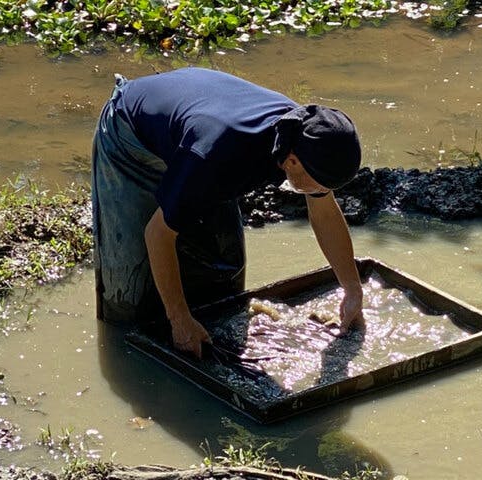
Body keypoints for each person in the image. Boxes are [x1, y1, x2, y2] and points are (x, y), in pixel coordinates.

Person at [92, 67, 365, 359]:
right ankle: (127, 357)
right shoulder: (217, 158)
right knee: (132, 291)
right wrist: (179, 319)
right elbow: (157, 234)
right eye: (318, 185)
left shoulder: (302, 135)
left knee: (223, 267)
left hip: (201, 123)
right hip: (130, 135)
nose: (320, 192)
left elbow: (323, 214)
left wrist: (351, 289)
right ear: (293, 162)